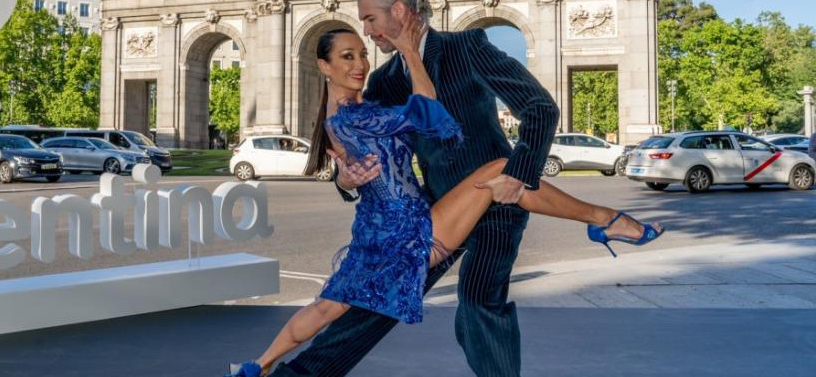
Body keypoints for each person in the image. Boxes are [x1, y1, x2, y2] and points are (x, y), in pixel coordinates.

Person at [226, 23, 664, 377]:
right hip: (413, 227)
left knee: (332, 307)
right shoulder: (368, 104)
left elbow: (537, 108)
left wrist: (345, 175)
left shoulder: (351, 110)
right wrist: (412, 55)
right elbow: (427, 112)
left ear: (400, 10)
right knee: (498, 170)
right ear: (322, 66)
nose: (362, 60)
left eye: (363, 47)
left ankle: (259, 366)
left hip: (389, 229)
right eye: (348, 55)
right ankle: (604, 218)